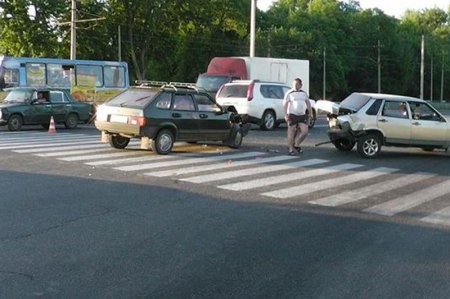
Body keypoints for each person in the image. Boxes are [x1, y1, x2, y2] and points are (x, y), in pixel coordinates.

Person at [283, 78, 312, 155]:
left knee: (305, 132)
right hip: (292, 115)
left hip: (302, 115)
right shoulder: (289, 93)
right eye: (294, 84)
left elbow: (308, 103)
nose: (295, 86)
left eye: (297, 84)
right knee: (291, 132)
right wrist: (285, 115)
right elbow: (285, 104)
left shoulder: (304, 93)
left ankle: (296, 144)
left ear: (301, 85)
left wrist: (310, 113)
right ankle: (290, 149)